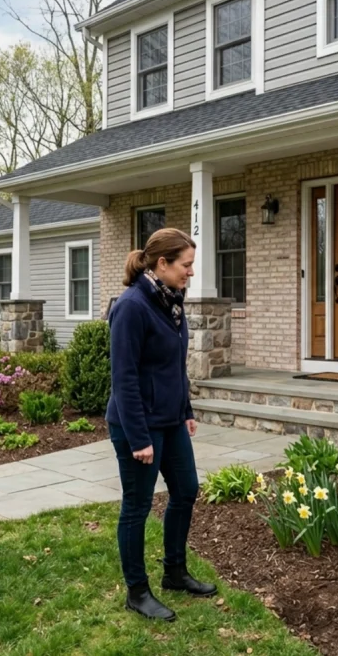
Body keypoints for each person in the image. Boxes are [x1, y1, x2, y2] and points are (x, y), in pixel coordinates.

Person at [106, 227, 217, 621]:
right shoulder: (132, 307)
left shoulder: (171, 301)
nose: (191, 272)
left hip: (169, 419)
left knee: (186, 490)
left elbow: (174, 365)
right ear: (162, 263)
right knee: (137, 506)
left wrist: (185, 409)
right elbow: (124, 378)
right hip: (137, 424)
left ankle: (174, 572)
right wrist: (139, 438)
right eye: (186, 265)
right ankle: (137, 592)